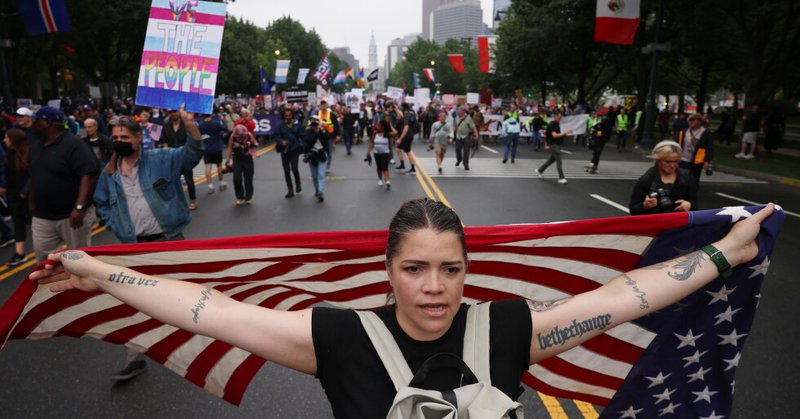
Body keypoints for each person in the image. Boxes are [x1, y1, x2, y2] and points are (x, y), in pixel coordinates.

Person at [30, 198, 775, 418]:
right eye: (415, 268)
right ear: (388, 273)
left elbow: (621, 298)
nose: (434, 286)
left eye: (450, 269)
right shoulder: (339, 338)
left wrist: (727, 253)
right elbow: (205, 308)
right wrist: (99, 269)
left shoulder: (512, 327)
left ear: (467, 272)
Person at [93, 107, 202, 381]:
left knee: (182, 298)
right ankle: (135, 359)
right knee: (135, 304)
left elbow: (192, 153)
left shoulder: (162, 158)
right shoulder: (108, 174)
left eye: (125, 136)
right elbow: (102, 203)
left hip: (169, 243)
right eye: (116, 136)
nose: (120, 141)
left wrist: (190, 125)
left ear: (139, 138)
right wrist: (116, 225)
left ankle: (195, 348)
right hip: (132, 249)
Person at [28, 106, 99, 263]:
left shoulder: (75, 145)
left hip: (71, 216)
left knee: (78, 259)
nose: (33, 124)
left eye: (36, 121)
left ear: (48, 123)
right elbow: (35, 175)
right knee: (44, 259)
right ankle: (51, 287)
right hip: (43, 216)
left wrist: (79, 207)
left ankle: (80, 287)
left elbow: (88, 176)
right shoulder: (36, 147)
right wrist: (31, 200)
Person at [629, 140, 698, 215]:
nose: (672, 165)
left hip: (679, 224)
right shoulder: (646, 180)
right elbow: (633, 210)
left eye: (676, 161)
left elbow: (695, 205)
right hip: (655, 224)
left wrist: (690, 205)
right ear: (658, 160)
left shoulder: (687, 177)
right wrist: (644, 206)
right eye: (667, 162)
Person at [2, 128, 31, 265]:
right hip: (13, 195)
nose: (4, 140)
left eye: (6, 137)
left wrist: (25, 191)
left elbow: (34, 174)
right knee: (18, 222)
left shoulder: (29, 152)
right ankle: (20, 253)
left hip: (29, 195)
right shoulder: (9, 154)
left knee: (37, 223)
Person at [161, 110, 198, 210]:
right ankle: (177, 202)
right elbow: (164, 141)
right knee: (173, 180)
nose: (173, 114)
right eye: (171, 112)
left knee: (189, 179)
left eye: (175, 111)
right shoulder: (166, 125)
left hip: (185, 155)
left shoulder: (185, 124)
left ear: (179, 112)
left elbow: (192, 138)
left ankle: (193, 201)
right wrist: (165, 153)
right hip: (172, 155)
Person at [676, 113, 714, 187]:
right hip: (683, 160)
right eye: (689, 120)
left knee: (693, 180)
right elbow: (677, 144)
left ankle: (692, 195)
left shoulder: (705, 133)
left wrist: (707, 161)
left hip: (697, 161)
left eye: (692, 120)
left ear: (699, 121)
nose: (690, 122)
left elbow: (709, 147)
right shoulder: (683, 132)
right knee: (681, 179)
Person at [535, 112, 573, 184]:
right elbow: (554, 135)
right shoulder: (552, 124)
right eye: (558, 117)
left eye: (560, 117)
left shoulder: (556, 125)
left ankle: (540, 170)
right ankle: (561, 178)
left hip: (556, 144)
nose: (559, 119)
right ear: (554, 116)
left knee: (551, 160)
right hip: (553, 144)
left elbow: (550, 135)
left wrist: (565, 134)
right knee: (559, 160)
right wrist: (565, 132)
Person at [275, 109, 304, 198]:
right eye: (286, 116)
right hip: (284, 150)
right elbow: (275, 135)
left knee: (294, 168)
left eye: (289, 116)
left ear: (292, 116)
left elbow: (303, 136)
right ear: (284, 116)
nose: (287, 117)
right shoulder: (280, 125)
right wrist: (281, 142)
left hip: (294, 148)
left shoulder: (297, 124)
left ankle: (298, 183)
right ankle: (290, 189)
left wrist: (305, 147)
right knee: (286, 170)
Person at [226, 125, 257, 206]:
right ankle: (240, 197)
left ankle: (248, 197)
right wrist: (228, 160)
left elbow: (256, 143)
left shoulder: (249, 135)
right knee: (237, 178)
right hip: (237, 158)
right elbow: (229, 148)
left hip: (248, 158)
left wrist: (250, 143)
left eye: (242, 135)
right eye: (238, 136)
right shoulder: (233, 136)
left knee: (248, 179)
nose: (240, 137)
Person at [198, 113, 228, 195]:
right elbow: (225, 129)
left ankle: (210, 186)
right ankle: (221, 183)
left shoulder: (200, 125)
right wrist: (222, 121)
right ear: (211, 115)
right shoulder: (216, 123)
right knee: (219, 166)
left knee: (208, 167)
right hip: (217, 147)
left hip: (207, 149)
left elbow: (199, 136)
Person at [303, 116, 329, 202]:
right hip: (312, 155)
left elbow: (327, 138)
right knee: (314, 176)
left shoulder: (322, 130)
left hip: (322, 154)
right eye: (312, 122)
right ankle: (317, 190)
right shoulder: (308, 131)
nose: (314, 124)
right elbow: (309, 141)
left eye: (316, 121)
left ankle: (321, 192)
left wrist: (321, 130)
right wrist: (314, 132)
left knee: (321, 174)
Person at [366, 117, 394, 190]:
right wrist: (368, 152)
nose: (377, 127)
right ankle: (380, 180)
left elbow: (395, 133)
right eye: (377, 125)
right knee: (379, 167)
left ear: (383, 127)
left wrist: (390, 126)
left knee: (384, 167)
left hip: (385, 153)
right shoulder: (375, 133)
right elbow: (371, 143)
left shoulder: (387, 134)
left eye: (379, 126)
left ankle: (387, 181)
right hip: (377, 153)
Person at [452, 106, 479, 171]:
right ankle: (459, 160)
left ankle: (466, 164)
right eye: (457, 111)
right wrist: (452, 136)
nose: (458, 112)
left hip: (467, 136)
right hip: (458, 136)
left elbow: (473, 127)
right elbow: (455, 127)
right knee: (457, 149)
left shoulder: (468, 118)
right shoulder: (456, 118)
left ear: (463, 112)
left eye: (459, 111)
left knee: (466, 151)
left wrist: (476, 135)